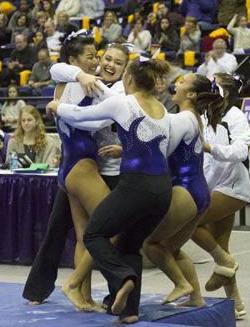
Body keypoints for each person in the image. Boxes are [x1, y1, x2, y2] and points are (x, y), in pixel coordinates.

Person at [47, 58, 173, 324]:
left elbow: (81, 117)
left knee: (94, 233)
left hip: (136, 185)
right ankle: (130, 312)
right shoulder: (161, 108)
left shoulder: (123, 102)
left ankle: (121, 277)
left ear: (128, 79)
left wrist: (58, 106)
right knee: (129, 245)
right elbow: (158, 146)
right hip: (163, 189)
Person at [23, 42, 130, 306]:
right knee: (111, 230)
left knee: (85, 236)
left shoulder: (104, 86)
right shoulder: (78, 81)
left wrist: (59, 107)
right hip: (82, 165)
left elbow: (60, 74)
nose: (100, 63)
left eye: (117, 62)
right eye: (97, 57)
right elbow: (58, 69)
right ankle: (75, 287)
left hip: (80, 164)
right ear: (75, 60)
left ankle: (86, 296)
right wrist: (80, 75)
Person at [144, 73, 224, 306]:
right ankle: (196, 297)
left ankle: (181, 284)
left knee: (150, 244)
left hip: (186, 189)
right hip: (199, 191)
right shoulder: (192, 117)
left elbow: (162, 150)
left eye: (182, 82)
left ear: (191, 94)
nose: (175, 83)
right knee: (172, 247)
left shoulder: (182, 119)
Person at [191, 73, 250, 319]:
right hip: (213, 184)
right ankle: (236, 303)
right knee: (222, 246)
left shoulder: (236, 116)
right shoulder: (206, 116)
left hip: (234, 186)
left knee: (189, 221)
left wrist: (210, 148)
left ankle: (224, 261)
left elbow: (240, 150)